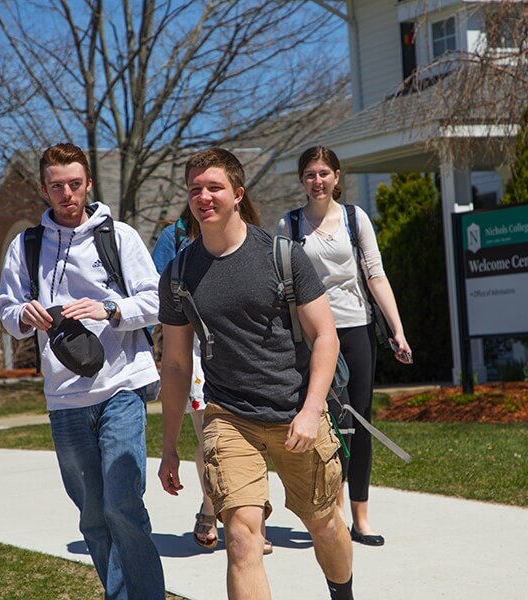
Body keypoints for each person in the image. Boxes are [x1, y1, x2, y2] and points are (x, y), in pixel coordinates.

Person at [157, 148, 354, 600]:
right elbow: (174, 364)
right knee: (243, 539)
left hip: (294, 412)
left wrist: (310, 411)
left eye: (214, 187)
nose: (203, 197)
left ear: (237, 193)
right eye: (195, 190)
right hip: (229, 417)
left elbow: (326, 336)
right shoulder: (179, 273)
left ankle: (343, 593)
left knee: (324, 525)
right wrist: (169, 448)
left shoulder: (283, 256)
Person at [0, 143, 165, 599]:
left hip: (121, 386)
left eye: (74, 184)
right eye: (57, 186)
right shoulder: (27, 246)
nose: (66, 194)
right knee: (93, 515)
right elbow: (6, 307)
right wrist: (22, 316)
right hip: (65, 397)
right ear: (45, 189)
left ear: (88, 183)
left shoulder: (120, 237)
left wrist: (109, 307)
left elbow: (155, 301)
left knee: (123, 505)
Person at [278, 145, 413, 547]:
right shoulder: (290, 226)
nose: (317, 181)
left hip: (356, 327)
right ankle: (332, 514)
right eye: (309, 174)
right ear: (302, 181)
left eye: (323, 173)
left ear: (337, 177)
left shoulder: (356, 218)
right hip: (315, 336)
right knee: (330, 422)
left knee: (360, 419)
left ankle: (361, 516)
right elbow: (283, 289)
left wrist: (398, 330)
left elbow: (375, 275)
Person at [151, 206, 274, 554]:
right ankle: (211, 505)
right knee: (211, 434)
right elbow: (157, 295)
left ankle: (254, 521)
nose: (205, 196)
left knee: (251, 433)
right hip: (191, 353)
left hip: (238, 349)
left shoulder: (249, 234)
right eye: (197, 188)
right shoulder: (173, 238)